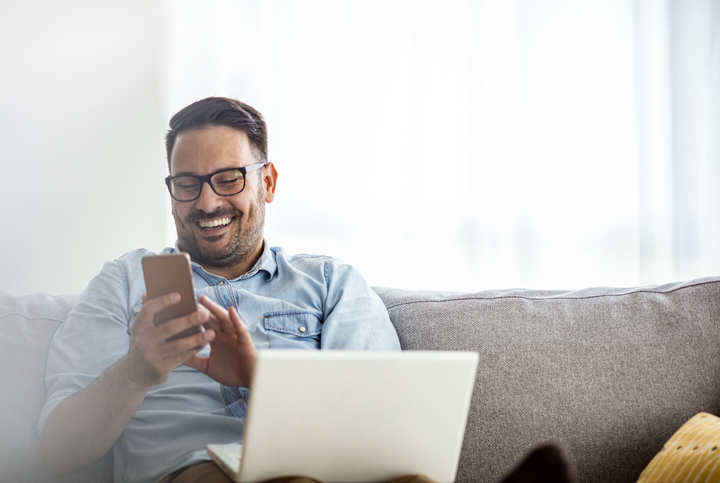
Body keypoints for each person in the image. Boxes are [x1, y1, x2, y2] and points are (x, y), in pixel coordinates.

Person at [39, 97, 574, 483]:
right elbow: (57, 451)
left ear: (267, 182)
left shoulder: (329, 284)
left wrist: (258, 377)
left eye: (228, 179)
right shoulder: (124, 282)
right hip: (192, 472)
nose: (206, 203)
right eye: (187, 184)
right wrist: (137, 370)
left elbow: (384, 425)